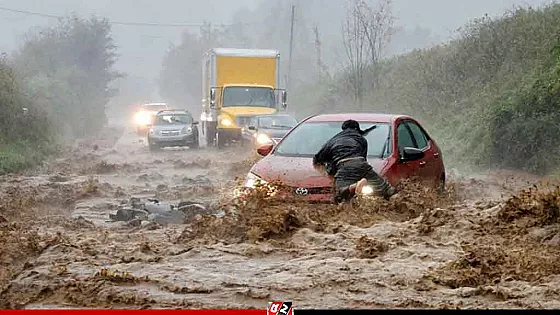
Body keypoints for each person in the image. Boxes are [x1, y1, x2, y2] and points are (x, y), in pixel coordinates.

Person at [313, 120, 397, 203]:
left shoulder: (332, 141)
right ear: (357, 129)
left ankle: (353, 187)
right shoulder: (361, 139)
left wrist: (327, 173)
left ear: (343, 129)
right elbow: (363, 160)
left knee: (338, 195)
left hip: (344, 166)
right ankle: (399, 203)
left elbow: (317, 160)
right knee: (387, 189)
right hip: (362, 164)